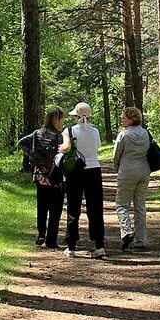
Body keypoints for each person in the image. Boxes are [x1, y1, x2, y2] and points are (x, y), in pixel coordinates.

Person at [60, 102, 106, 258]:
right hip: (94, 170)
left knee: (73, 207)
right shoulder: (95, 131)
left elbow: (66, 148)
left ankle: (71, 246)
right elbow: (96, 148)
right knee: (95, 209)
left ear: (76, 116)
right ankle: (99, 245)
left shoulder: (69, 130)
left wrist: (61, 149)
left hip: (75, 171)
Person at [18, 108, 67, 249]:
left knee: (42, 206)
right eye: (62, 119)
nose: (63, 122)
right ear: (57, 120)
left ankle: (41, 234)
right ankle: (51, 240)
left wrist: (34, 157)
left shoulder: (37, 133)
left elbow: (22, 142)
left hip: (40, 174)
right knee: (56, 208)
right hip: (56, 175)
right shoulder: (61, 136)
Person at [112, 107, 151, 250]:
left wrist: (118, 168)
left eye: (124, 117)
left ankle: (127, 231)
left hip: (127, 173)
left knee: (122, 204)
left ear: (131, 119)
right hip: (144, 172)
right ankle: (141, 240)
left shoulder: (123, 135)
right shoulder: (146, 133)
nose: (122, 119)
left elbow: (116, 155)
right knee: (140, 207)